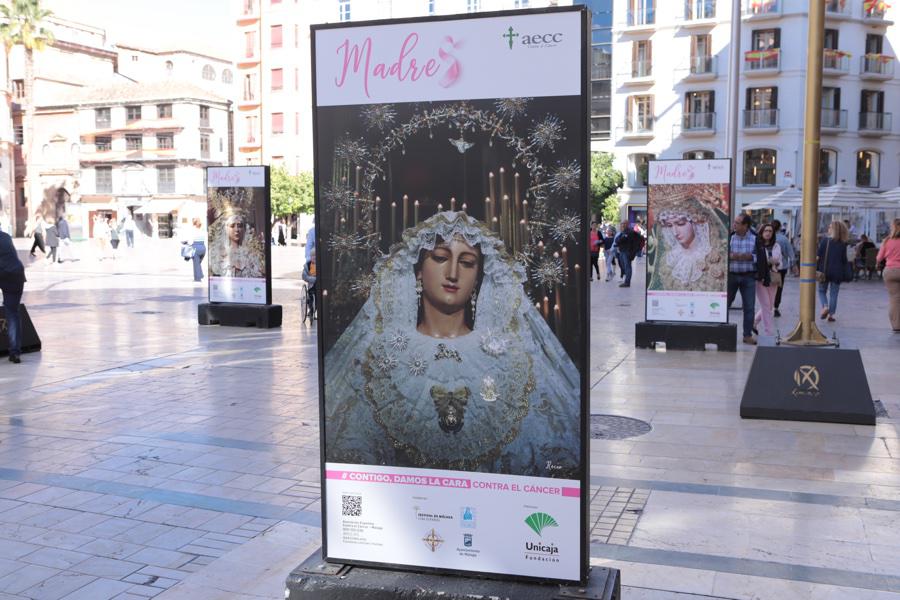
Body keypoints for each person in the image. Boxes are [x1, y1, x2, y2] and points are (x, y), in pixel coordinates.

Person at [324, 211, 579, 477]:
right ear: (418, 271)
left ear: (478, 278)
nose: (453, 273)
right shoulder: (383, 354)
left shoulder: (507, 358)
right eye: (440, 258)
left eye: (467, 263)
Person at [646, 197, 727, 292]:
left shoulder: (713, 255)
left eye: (680, 224)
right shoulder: (670, 260)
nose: (675, 232)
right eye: (669, 225)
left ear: (696, 223)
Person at [727, 214, 769, 345]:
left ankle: (747, 335)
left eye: (737, 223)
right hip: (731, 276)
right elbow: (722, 252)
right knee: (725, 304)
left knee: (749, 307)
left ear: (745, 226)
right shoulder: (729, 237)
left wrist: (749, 257)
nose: (734, 225)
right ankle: (718, 331)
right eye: (734, 222)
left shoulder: (755, 239)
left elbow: (760, 257)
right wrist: (731, 256)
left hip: (748, 276)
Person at [210, 204, 265, 278]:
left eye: (240, 226)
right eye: (232, 226)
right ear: (225, 228)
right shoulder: (216, 253)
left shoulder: (251, 254)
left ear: (244, 229)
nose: (237, 230)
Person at [816, 220, 850, 323]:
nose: (828, 229)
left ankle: (825, 306)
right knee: (834, 294)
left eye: (830, 227)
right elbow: (844, 260)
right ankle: (831, 315)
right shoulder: (843, 243)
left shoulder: (825, 241)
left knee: (822, 291)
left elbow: (818, 256)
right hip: (837, 272)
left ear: (834, 229)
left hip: (824, 271)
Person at [0, 230, 26, 363]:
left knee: (12, 312)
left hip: (4, 273)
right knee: (13, 313)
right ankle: (15, 353)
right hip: (16, 274)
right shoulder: (6, 236)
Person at [754, 223, 782, 337]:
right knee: (766, 305)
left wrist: (774, 262)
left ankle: (754, 322)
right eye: (766, 231)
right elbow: (758, 261)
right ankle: (769, 334)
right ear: (761, 232)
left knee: (770, 306)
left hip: (773, 277)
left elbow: (780, 262)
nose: (768, 233)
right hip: (761, 278)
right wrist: (771, 261)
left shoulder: (776, 246)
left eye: (770, 231)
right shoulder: (757, 245)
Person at [876, 218, 900, 332]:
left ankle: (896, 326)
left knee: (894, 298)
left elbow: (879, 258)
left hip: (890, 271)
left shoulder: (887, 241)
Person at [772, 220, 796, 318]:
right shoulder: (784, 239)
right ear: (779, 228)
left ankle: (768, 305)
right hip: (782, 267)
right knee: (779, 288)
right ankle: (776, 307)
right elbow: (791, 253)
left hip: (770, 266)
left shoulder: (768, 237)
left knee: (770, 287)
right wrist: (793, 264)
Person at [614, 221, 642, 288]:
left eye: (624, 224)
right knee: (623, 266)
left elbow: (620, 240)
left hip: (627, 252)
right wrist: (620, 239)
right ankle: (626, 280)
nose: (623, 225)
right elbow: (617, 240)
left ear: (627, 224)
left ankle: (627, 282)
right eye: (622, 224)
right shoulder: (623, 232)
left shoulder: (629, 232)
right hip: (622, 251)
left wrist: (633, 251)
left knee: (627, 267)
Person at [302, 248, 317, 320]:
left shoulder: (320, 265)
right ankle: (311, 310)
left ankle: (314, 310)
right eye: (313, 255)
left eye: (316, 256)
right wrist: (313, 279)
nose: (314, 257)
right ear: (310, 257)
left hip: (318, 286)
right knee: (310, 297)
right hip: (311, 285)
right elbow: (304, 276)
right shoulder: (307, 266)